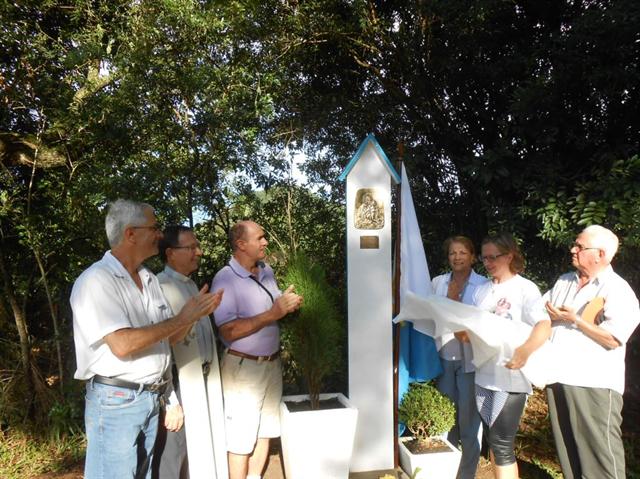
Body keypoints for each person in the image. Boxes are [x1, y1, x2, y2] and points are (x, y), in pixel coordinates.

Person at [70, 199, 222, 479]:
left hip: (151, 397)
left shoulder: (148, 279)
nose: (160, 235)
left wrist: (192, 316)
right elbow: (122, 344)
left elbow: (168, 340)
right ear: (130, 234)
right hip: (117, 402)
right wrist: (181, 317)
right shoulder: (96, 281)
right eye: (154, 228)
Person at [544, 225, 640, 479]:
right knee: (568, 455)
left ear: (601, 254)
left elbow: (613, 338)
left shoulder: (617, 290)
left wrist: (575, 320)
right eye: (574, 244)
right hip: (557, 377)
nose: (572, 249)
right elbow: (539, 313)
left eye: (579, 246)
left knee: (600, 460)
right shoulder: (564, 281)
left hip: (593, 383)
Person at [211, 220, 303, 479]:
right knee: (241, 439)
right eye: (260, 238)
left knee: (266, 431)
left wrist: (287, 304)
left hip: (271, 365)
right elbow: (227, 331)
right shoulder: (225, 279)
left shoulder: (266, 270)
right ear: (241, 244)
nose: (265, 242)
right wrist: (274, 312)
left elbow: (272, 311)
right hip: (243, 369)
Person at [472, 232, 550, 479]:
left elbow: (543, 325)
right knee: (494, 443)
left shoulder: (526, 289)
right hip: (484, 375)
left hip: (512, 378)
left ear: (510, 255)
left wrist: (525, 351)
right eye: (484, 258)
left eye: (494, 257)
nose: (488, 263)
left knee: (502, 443)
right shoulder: (481, 290)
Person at [152, 225, 220, 478]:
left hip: (203, 381)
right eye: (191, 247)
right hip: (178, 387)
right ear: (170, 253)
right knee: (174, 457)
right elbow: (160, 346)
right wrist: (169, 400)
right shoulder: (158, 287)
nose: (198, 252)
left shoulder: (192, 285)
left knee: (198, 455)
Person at [432, 236, 486, 479]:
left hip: (471, 360)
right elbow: (433, 315)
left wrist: (453, 300)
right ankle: (445, 469)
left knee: (468, 421)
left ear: (473, 256)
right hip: (444, 356)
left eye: (462, 252)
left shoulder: (484, 286)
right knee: (446, 418)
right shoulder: (438, 282)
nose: (457, 257)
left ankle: (466, 474)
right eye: (452, 253)